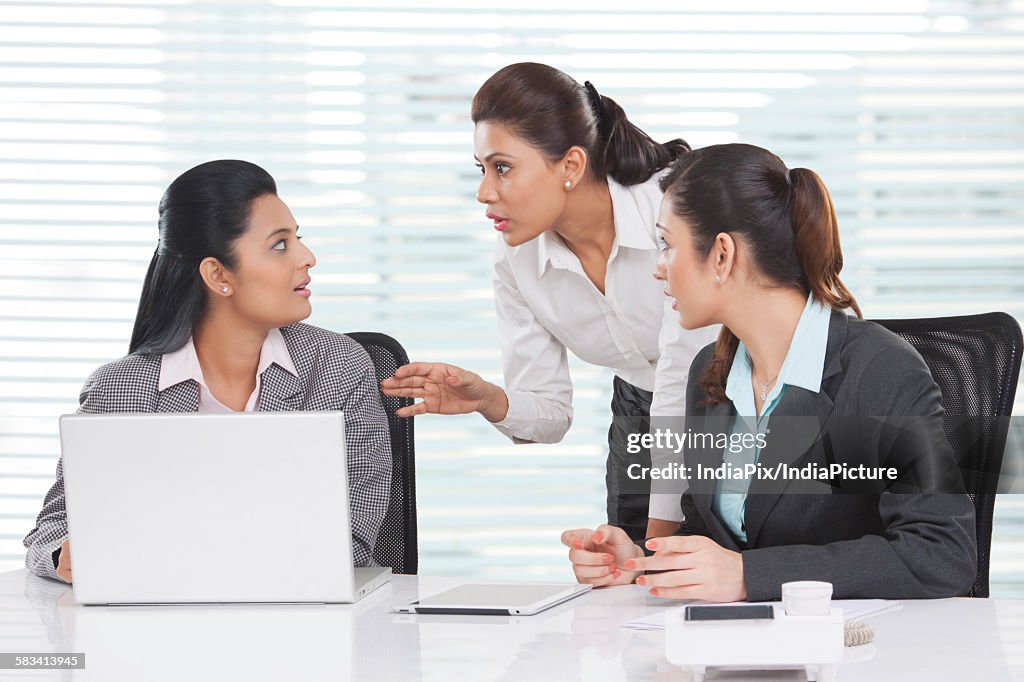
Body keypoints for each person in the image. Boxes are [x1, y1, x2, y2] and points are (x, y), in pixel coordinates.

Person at [561, 143, 977, 600]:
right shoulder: (710, 375)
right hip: (739, 650)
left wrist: (749, 576)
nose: (659, 269)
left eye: (667, 244)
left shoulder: (880, 370)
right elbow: (716, 537)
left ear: (721, 254)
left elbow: (941, 554)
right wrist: (643, 563)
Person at [381, 62, 717, 542]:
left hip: (742, 394)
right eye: (481, 169)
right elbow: (550, 413)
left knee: (733, 569)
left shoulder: (672, 210)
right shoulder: (516, 258)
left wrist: (653, 547)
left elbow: (683, 373)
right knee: (632, 593)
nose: (483, 192)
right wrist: (488, 399)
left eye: (502, 167)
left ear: (571, 166)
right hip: (640, 407)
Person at [24, 160, 392, 582]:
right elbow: (52, 530)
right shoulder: (120, 388)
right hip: (156, 625)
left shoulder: (338, 368)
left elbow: (355, 539)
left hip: (302, 618)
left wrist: (183, 553)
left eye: (298, 239)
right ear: (218, 274)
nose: (308, 258)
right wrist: (63, 556)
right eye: (279, 245)